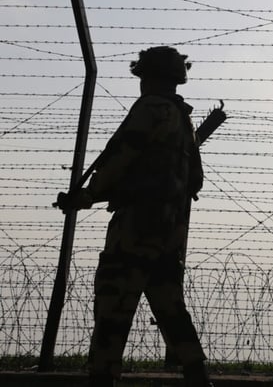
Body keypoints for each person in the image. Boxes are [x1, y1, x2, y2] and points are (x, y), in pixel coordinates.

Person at [57, 46, 213, 387]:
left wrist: (88, 195)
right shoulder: (182, 118)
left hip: (136, 226)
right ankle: (198, 376)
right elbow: (195, 179)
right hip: (170, 229)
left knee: (114, 304)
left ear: (149, 76)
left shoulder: (150, 108)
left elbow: (122, 154)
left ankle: (103, 376)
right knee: (169, 306)